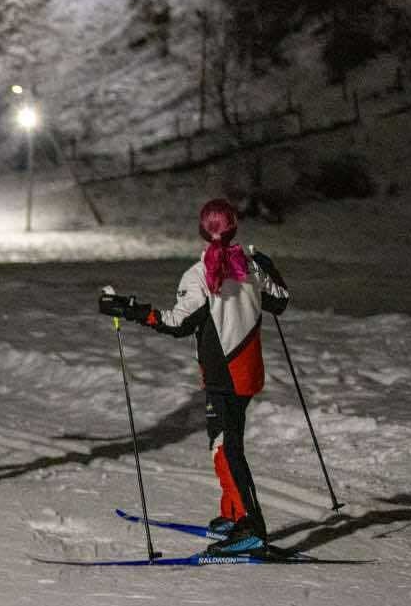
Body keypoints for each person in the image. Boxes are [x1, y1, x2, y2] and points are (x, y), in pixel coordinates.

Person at [118, 198, 290, 555]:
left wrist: (134, 312)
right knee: (221, 441)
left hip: (223, 374)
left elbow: (178, 323)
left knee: (229, 448)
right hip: (246, 371)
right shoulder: (251, 267)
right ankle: (232, 512)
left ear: (201, 231)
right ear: (234, 230)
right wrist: (270, 268)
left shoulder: (199, 275)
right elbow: (280, 300)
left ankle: (251, 527)